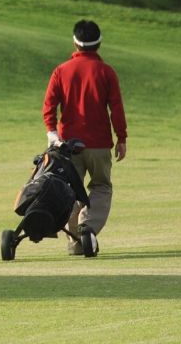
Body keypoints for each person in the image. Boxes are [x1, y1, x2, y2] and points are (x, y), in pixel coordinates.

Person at [42, 20, 127, 255]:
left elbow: (49, 105)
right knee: (101, 187)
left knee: (70, 190)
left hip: (68, 145)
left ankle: (76, 243)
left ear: (75, 43)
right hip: (99, 144)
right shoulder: (106, 72)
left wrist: (52, 132)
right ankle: (88, 229)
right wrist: (122, 137)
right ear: (98, 44)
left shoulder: (61, 70)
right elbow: (116, 108)